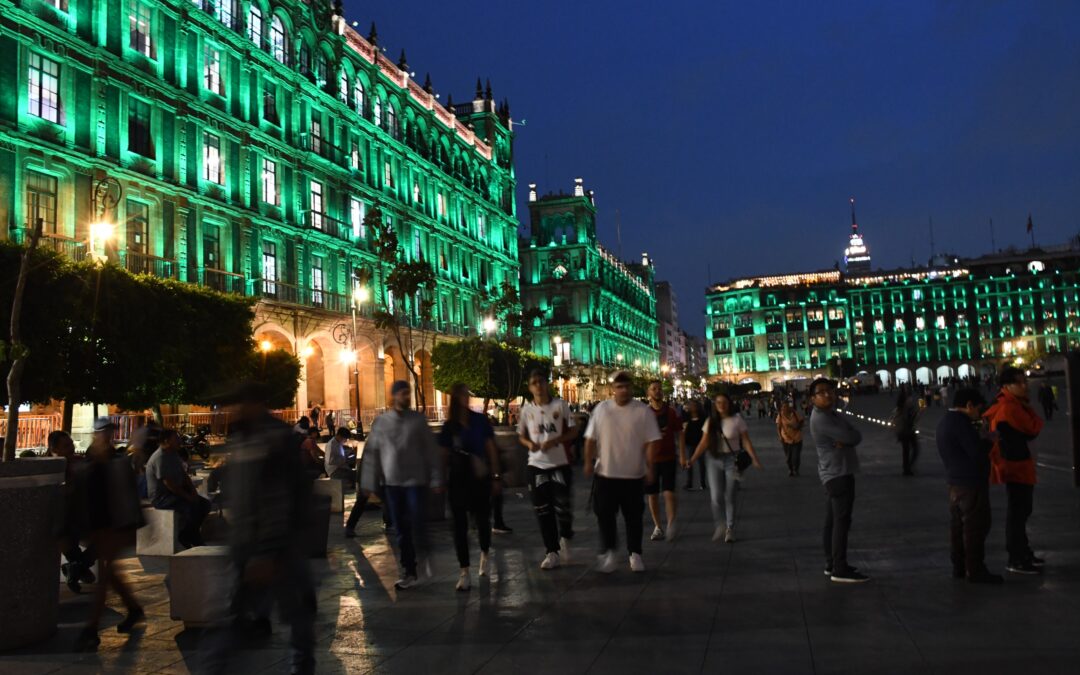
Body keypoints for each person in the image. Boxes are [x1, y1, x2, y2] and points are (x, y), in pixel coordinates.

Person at [202, 382, 316, 675]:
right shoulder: (243, 436)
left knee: (294, 613)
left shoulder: (273, 438)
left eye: (238, 404)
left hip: (276, 546)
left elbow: (276, 497)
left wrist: (267, 551)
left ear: (253, 404)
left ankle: (302, 667)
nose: (232, 410)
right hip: (247, 543)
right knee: (237, 615)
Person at [360, 380, 443, 589]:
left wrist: (436, 478)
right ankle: (409, 570)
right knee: (401, 529)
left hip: (415, 482)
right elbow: (372, 454)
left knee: (417, 522)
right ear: (394, 396)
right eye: (403, 393)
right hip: (392, 484)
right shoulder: (381, 423)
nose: (407, 397)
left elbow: (431, 452)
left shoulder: (418, 420)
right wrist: (368, 482)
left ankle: (424, 558)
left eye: (409, 393)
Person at [76, 418, 145, 651]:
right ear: (95, 434)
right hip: (99, 527)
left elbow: (129, 494)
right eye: (103, 432)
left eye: (109, 432)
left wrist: (136, 523)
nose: (106, 436)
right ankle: (133, 608)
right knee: (110, 573)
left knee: (105, 576)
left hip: (117, 526)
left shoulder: (118, 461)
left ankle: (91, 629)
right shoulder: (90, 460)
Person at [583, 371, 661, 574]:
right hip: (606, 474)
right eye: (619, 387)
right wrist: (587, 462)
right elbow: (590, 438)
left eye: (627, 386)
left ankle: (635, 553)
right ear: (612, 389)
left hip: (633, 475)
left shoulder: (642, 411)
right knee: (604, 515)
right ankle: (610, 551)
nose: (623, 390)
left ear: (632, 388)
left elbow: (652, 441)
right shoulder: (601, 409)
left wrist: (650, 466)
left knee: (634, 517)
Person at [439, 384, 502, 591]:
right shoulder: (450, 427)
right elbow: (443, 455)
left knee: (483, 521)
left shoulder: (479, 421)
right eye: (462, 396)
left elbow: (491, 448)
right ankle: (464, 570)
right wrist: (439, 479)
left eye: (466, 395)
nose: (465, 399)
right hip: (458, 481)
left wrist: (495, 476)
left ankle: (485, 553)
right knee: (459, 527)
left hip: (479, 479)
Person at [936, 388, 1002, 584]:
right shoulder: (961, 423)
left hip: (955, 481)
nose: (979, 414)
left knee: (958, 527)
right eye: (978, 409)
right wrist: (990, 440)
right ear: (969, 405)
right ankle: (975, 569)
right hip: (970, 482)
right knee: (975, 527)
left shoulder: (946, 421)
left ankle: (959, 566)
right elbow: (976, 451)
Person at [983, 367, 1045, 575]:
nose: (1024, 385)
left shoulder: (1013, 403)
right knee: (1019, 512)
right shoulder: (1009, 407)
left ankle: (1023, 552)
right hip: (1017, 465)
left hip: (1018, 464)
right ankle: (1016, 558)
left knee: (1020, 511)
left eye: (1024, 381)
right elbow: (1033, 427)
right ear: (1006, 386)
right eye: (1019, 382)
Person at [809, 378, 869, 583]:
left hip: (833, 472)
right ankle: (839, 568)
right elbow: (854, 437)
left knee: (832, 521)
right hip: (838, 474)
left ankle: (831, 563)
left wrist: (847, 437)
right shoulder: (822, 419)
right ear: (812, 398)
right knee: (841, 523)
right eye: (821, 392)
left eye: (829, 391)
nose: (827, 394)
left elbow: (851, 432)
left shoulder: (830, 414)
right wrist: (846, 438)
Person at [518, 368, 578, 570]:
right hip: (536, 465)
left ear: (547, 384)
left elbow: (573, 431)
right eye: (534, 382)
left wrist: (556, 440)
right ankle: (551, 551)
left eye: (541, 381)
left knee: (563, 507)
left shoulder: (560, 405)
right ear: (529, 387)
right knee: (542, 509)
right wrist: (529, 444)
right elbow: (522, 435)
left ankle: (566, 535)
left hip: (559, 463)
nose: (538, 385)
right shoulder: (526, 410)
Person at [686, 393, 762, 544]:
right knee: (716, 497)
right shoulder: (710, 421)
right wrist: (692, 459)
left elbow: (746, 441)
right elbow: (703, 443)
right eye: (718, 402)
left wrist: (754, 458)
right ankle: (719, 523)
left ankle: (730, 528)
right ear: (715, 405)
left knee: (730, 495)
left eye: (724, 402)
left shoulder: (737, 419)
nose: (721, 404)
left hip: (731, 461)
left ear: (729, 403)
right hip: (713, 459)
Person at [48, 430, 97, 594]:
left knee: (107, 539)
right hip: (63, 524)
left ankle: (76, 568)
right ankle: (78, 567)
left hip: (81, 519)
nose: (72, 448)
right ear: (54, 449)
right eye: (66, 445)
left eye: (71, 444)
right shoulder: (51, 469)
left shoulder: (78, 463)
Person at [145, 429, 211, 548]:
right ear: (166, 441)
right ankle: (190, 536)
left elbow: (184, 475)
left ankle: (188, 534)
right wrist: (188, 497)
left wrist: (193, 493)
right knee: (190, 507)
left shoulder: (173, 454)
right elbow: (169, 484)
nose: (179, 441)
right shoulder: (160, 457)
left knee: (205, 504)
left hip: (175, 493)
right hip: (162, 497)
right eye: (176, 439)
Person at [644, 380, 683, 541]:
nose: (657, 391)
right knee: (652, 494)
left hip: (668, 457)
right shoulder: (645, 413)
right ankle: (658, 526)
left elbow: (680, 433)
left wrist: (682, 455)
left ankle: (671, 523)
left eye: (659, 389)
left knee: (668, 493)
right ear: (649, 393)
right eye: (654, 389)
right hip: (651, 460)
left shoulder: (671, 412)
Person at [681, 400, 707, 491]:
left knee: (702, 464)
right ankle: (689, 483)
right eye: (691, 405)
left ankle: (703, 483)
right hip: (690, 443)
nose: (692, 407)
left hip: (700, 443)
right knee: (689, 463)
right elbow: (683, 430)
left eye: (694, 405)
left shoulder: (703, 417)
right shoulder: (686, 417)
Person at [893, 391, 921, 476]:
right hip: (905, 432)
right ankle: (907, 468)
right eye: (909, 398)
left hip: (906, 431)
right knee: (910, 450)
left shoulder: (906, 408)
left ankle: (907, 467)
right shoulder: (903, 409)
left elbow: (913, 419)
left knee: (908, 450)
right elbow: (909, 420)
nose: (911, 399)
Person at [776, 402, 805, 477]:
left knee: (796, 456)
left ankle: (796, 469)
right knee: (788, 457)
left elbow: (802, 421)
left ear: (789, 408)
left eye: (786, 407)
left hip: (797, 438)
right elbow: (778, 427)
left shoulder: (795, 414)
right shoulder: (780, 415)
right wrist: (780, 437)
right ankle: (790, 469)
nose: (784, 409)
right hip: (786, 439)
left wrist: (797, 426)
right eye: (783, 407)